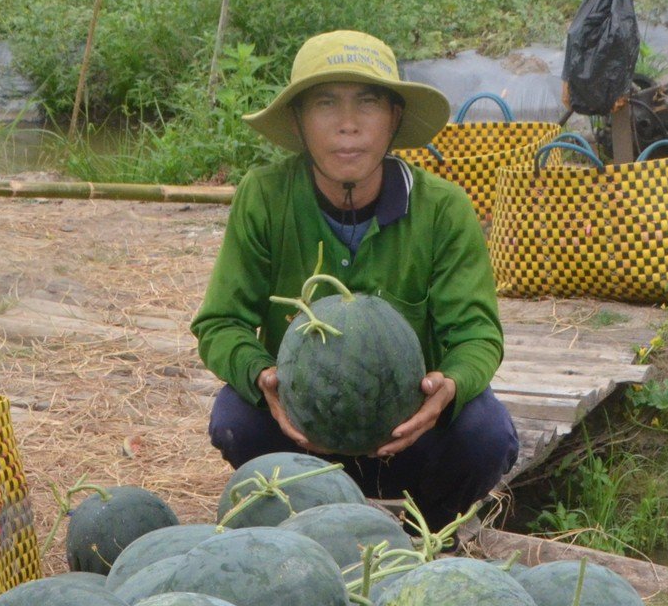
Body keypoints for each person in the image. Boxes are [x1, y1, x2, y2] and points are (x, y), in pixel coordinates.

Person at [192, 29, 519, 532]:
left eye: (367, 103)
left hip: (411, 434)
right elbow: (221, 324)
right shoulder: (265, 197)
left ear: (394, 119)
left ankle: (425, 538)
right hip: (300, 434)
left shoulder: (444, 208)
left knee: (487, 434)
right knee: (235, 420)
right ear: (299, 122)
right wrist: (266, 380)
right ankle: (308, 529)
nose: (348, 126)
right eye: (326, 104)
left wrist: (446, 388)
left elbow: (477, 335)